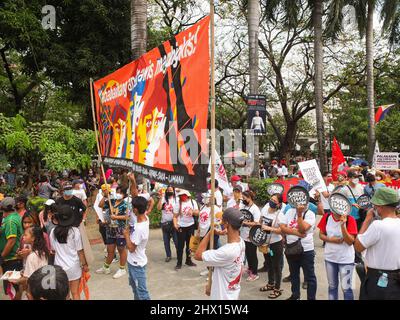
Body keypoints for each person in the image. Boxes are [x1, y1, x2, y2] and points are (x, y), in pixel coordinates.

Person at [355, 187, 400, 300]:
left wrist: (367, 220)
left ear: (381, 206)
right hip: (396, 280)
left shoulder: (378, 226)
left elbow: (358, 246)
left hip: (377, 279)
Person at [194, 208, 245, 300]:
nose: (220, 222)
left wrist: (210, 233)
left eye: (222, 220)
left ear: (227, 224)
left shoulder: (226, 252)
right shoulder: (241, 242)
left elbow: (197, 255)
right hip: (232, 293)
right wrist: (212, 286)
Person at [50, 205, 89, 300]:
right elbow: (80, 251)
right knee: (75, 293)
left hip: (59, 267)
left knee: (65, 295)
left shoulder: (52, 232)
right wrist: (85, 265)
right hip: (74, 267)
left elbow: (53, 250)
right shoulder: (75, 231)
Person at [280, 204, 317, 300]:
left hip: (306, 250)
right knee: (294, 274)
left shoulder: (310, 214)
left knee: (310, 277)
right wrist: (295, 232)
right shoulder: (289, 211)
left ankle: (311, 298)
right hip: (291, 248)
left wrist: (299, 214)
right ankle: (295, 296)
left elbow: (303, 229)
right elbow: (282, 228)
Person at [318, 211, 358, 300]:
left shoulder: (350, 219)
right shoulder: (327, 216)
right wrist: (331, 239)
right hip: (330, 258)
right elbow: (321, 235)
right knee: (332, 287)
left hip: (346, 260)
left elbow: (350, 241)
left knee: (346, 288)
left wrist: (343, 225)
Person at [96, 186, 128, 279]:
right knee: (110, 250)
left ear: (124, 195)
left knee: (121, 249)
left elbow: (127, 216)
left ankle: (122, 269)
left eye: (120, 192)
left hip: (120, 229)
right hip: (110, 229)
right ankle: (106, 267)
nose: (118, 194)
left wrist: (116, 217)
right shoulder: (111, 201)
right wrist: (105, 196)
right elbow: (100, 205)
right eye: (117, 192)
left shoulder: (126, 204)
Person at [123, 196, 151, 300]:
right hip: (133, 262)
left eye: (132, 207)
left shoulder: (139, 228)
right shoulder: (145, 218)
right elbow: (136, 195)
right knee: (135, 289)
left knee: (142, 293)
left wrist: (126, 235)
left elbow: (131, 248)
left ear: (135, 210)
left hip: (137, 264)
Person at [259, 194, 285, 299]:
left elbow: (281, 231)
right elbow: (260, 221)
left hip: (275, 244)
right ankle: (270, 284)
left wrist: (270, 229)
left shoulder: (280, 215)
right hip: (265, 243)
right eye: (271, 199)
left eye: (274, 200)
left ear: (278, 203)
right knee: (268, 264)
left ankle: (277, 289)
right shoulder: (265, 210)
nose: (271, 201)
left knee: (276, 266)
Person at [13, 226, 49, 300]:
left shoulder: (32, 256)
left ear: (33, 238)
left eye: (26, 235)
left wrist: (15, 281)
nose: (23, 237)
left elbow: (27, 278)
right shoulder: (43, 252)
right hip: (42, 288)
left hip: (33, 291)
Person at [0, 197, 23, 299]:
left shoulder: (10, 220)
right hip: (14, 259)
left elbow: (11, 240)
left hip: (11, 259)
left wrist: (1, 257)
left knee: (14, 289)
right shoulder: (16, 216)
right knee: (16, 288)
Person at [173, 189, 199, 270]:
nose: (182, 197)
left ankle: (188, 260)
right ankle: (179, 262)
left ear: (187, 194)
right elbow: (175, 216)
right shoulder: (178, 203)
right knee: (180, 246)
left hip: (190, 226)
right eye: (180, 195)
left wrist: (193, 212)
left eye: (183, 195)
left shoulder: (192, 202)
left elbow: (198, 212)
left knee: (190, 245)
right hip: (181, 227)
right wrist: (175, 224)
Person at [240, 190, 261, 282]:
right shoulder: (244, 206)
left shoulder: (255, 209)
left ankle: (255, 273)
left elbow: (256, 223)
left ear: (250, 198)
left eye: (244, 198)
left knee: (252, 254)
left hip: (251, 235)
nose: (243, 199)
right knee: (247, 253)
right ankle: (250, 268)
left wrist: (244, 222)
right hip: (244, 234)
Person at [157, 186, 178, 262]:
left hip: (174, 223)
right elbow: (158, 208)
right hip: (165, 223)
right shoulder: (163, 199)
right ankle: (168, 255)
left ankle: (179, 254)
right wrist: (160, 198)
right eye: (168, 190)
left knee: (176, 241)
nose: (169, 191)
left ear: (173, 191)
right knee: (166, 241)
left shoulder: (176, 199)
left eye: (171, 190)